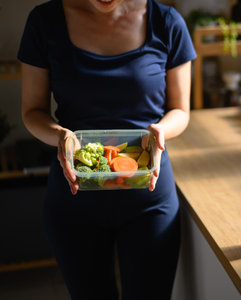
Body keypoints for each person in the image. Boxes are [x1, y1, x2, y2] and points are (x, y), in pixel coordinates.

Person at [18, 0, 196, 298]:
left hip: (148, 200)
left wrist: (161, 130)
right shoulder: (43, 21)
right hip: (74, 199)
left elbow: (181, 110)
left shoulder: (167, 23)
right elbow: (32, 111)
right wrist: (60, 135)